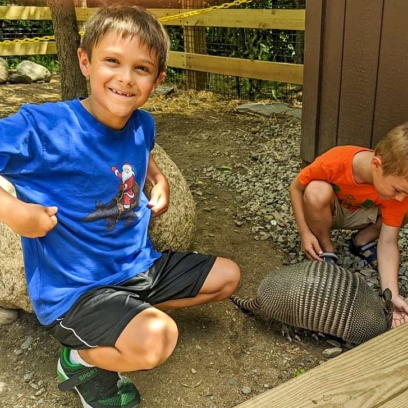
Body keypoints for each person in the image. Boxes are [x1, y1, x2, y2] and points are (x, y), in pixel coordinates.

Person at [0, 6, 240, 408]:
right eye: (112, 61)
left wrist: (157, 178)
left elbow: (141, 149)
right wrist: (11, 211)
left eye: (141, 69)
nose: (126, 78)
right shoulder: (43, 127)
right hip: (76, 290)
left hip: (138, 265)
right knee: (159, 339)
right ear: (85, 61)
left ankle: (124, 316)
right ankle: (77, 359)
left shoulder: (142, 122)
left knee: (228, 277)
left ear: (158, 79)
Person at [290, 123, 408, 329]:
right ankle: (326, 248)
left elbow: (388, 242)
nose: (400, 198)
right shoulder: (336, 160)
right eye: (398, 190)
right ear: (376, 165)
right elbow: (296, 187)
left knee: (404, 208)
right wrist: (304, 232)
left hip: (366, 215)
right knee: (315, 190)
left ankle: (362, 240)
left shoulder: (397, 191)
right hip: (332, 211)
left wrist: (392, 295)